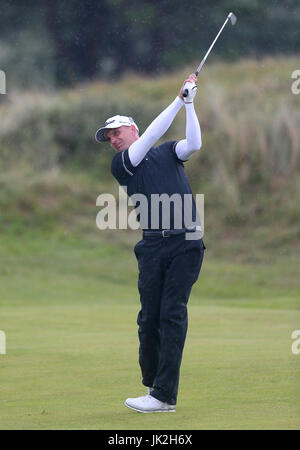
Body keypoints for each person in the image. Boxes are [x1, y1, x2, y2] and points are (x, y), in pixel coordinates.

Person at [95, 74, 205, 413]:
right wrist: (179, 99)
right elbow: (155, 131)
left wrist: (189, 105)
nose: (113, 139)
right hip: (153, 247)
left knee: (172, 314)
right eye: (109, 136)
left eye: (117, 132)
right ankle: (153, 389)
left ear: (132, 128)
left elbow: (194, 144)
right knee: (149, 320)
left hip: (186, 242)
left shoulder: (168, 152)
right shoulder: (123, 166)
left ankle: (162, 396)